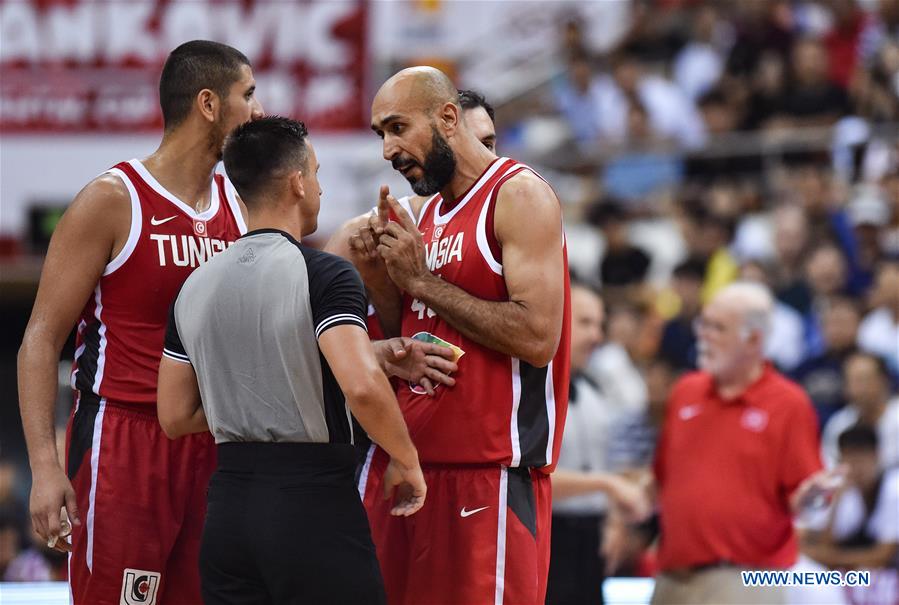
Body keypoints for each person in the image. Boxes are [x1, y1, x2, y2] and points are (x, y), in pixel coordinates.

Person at [17, 40, 263, 605]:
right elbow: (40, 340)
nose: (257, 110)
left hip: (212, 440)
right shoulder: (113, 199)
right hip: (123, 443)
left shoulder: (241, 204)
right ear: (208, 103)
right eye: (246, 95)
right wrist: (45, 467)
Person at [157, 116, 427, 605]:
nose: (320, 188)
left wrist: (250, 401)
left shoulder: (193, 285)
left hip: (228, 511)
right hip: (311, 504)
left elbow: (174, 416)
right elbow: (361, 386)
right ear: (298, 182)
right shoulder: (325, 273)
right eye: (318, 174)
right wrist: (406, 459)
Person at [356, 66, 570, 605]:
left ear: (448, 118)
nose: (388, 149)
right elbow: (419, 325)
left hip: (489, 479)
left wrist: (421, 280)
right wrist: (386, 282)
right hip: (417, 472)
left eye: (398, 127)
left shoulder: (518, 194)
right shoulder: (429, 215)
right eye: (381, 133)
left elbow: (538, 335)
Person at [649, 282, 824, 604]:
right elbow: (663, 479)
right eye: (704, 323)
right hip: (672, 576)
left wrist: (814, 497)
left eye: (718, 327)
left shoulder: (789, 404)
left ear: (754, 339)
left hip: (743, 580)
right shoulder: (684, 391)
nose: (703, 334)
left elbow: (806, 498)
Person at [546, 282, 650, 605]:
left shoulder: (597, 390)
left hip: (591, 540)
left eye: (599, 324)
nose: (597, 336)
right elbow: (532, 479)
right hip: (548, 535)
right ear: (558, 320)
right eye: (585, 323)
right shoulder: (528, 391)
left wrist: (614, 521)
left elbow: (609, 462)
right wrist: (607, 485)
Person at [802, 424, 899, 605]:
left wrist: (829, 557)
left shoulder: (894, 488)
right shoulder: (847, 493)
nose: (857, 466)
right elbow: (827, 545)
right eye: (850, 458)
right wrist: (836, 503)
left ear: (877, 455)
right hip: (865, 574)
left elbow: (881, 556)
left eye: (862, 457)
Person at [820, 351, 899, 470]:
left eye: (864, 380)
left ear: (884, 380)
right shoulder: (839, 424)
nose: (858, 389)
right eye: (852, 381)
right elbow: (829, 469)